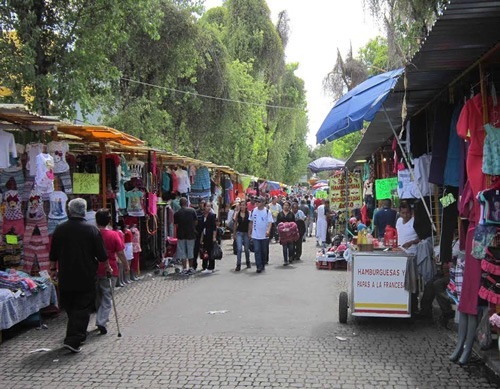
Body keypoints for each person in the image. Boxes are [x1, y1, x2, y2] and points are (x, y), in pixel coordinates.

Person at [49, 198, 108, 353]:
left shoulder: (60, 229)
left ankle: (76, 336)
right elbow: (102, 255)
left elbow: (53, 252)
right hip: (85, 275)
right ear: (84, 211)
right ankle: (74, 339)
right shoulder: (91, 230)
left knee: (70, 306)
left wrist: (52, 269)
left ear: (69, 211)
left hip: (66, 275)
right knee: (81, 308)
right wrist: (107, 267)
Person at [95, 208, 129, 335]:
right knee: (107, 296)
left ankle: (101, 317)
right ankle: (101, 320)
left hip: (94, 268)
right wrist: (126, 265)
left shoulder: (93, 233)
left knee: (99, 295)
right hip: (110, 268)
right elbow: (120, 252)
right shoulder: (113, 234)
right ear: (109, 220)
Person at [249, 196, 273, 273]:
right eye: (256, 201)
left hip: (264, 235)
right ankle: (258, 266)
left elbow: (270, 223)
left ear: (263, 203)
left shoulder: (267, 211)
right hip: (255, 235)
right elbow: (251, 222)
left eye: (259, 202)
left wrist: (268, 231)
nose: (257, 203)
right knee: (257, 250)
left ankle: (262, 264)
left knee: (263, 251)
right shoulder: (253, 211)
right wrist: (249, 232)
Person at [174, 197, 198, 275]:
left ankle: (184, 269)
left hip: (181, 235)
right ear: (186, 203)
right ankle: (190, 268)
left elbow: (176, 225)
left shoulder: (177, 213)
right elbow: (196, 222)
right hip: (191, 234)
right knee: (190, 251)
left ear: (180, 204)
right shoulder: (192, 211)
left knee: (182, 252)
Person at [199, 201, 218, 274]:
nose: (208, 208)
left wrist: (214, 237)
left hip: (210, 235)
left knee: (210, 251)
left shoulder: (212, 216)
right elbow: (202, 228)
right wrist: (201, 238)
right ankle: (205, 266)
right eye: (207, 206)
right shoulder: (202, 216)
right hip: (204, 236)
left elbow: (214, 227)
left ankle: (211, 267)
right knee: (205, 251)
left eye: (209, 206)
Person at [233, 201, 251, 271]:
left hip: (246, 233)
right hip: (239, 232)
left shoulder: (249, 213)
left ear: (246, 206)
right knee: (239, 249)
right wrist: (234, 234)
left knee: (246, 249)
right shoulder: (237, 214)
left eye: (244, 205)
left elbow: (250, 224)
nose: (242, 207)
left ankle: (247, 261)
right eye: (241, 205)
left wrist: (250, 232)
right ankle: (238, 264)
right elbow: (235, 224)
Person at [277, 200, 295, 266]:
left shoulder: (291, 214)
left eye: (287, 205)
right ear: (282, 206)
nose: (286, 206)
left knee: (291, 247)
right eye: (285, 205)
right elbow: (277, 223)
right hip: (283, 233)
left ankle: (290, 257)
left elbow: (294, 223)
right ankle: (285, 260)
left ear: (289, 207)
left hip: (290, 233)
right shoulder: (280, 214)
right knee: (284, 247)